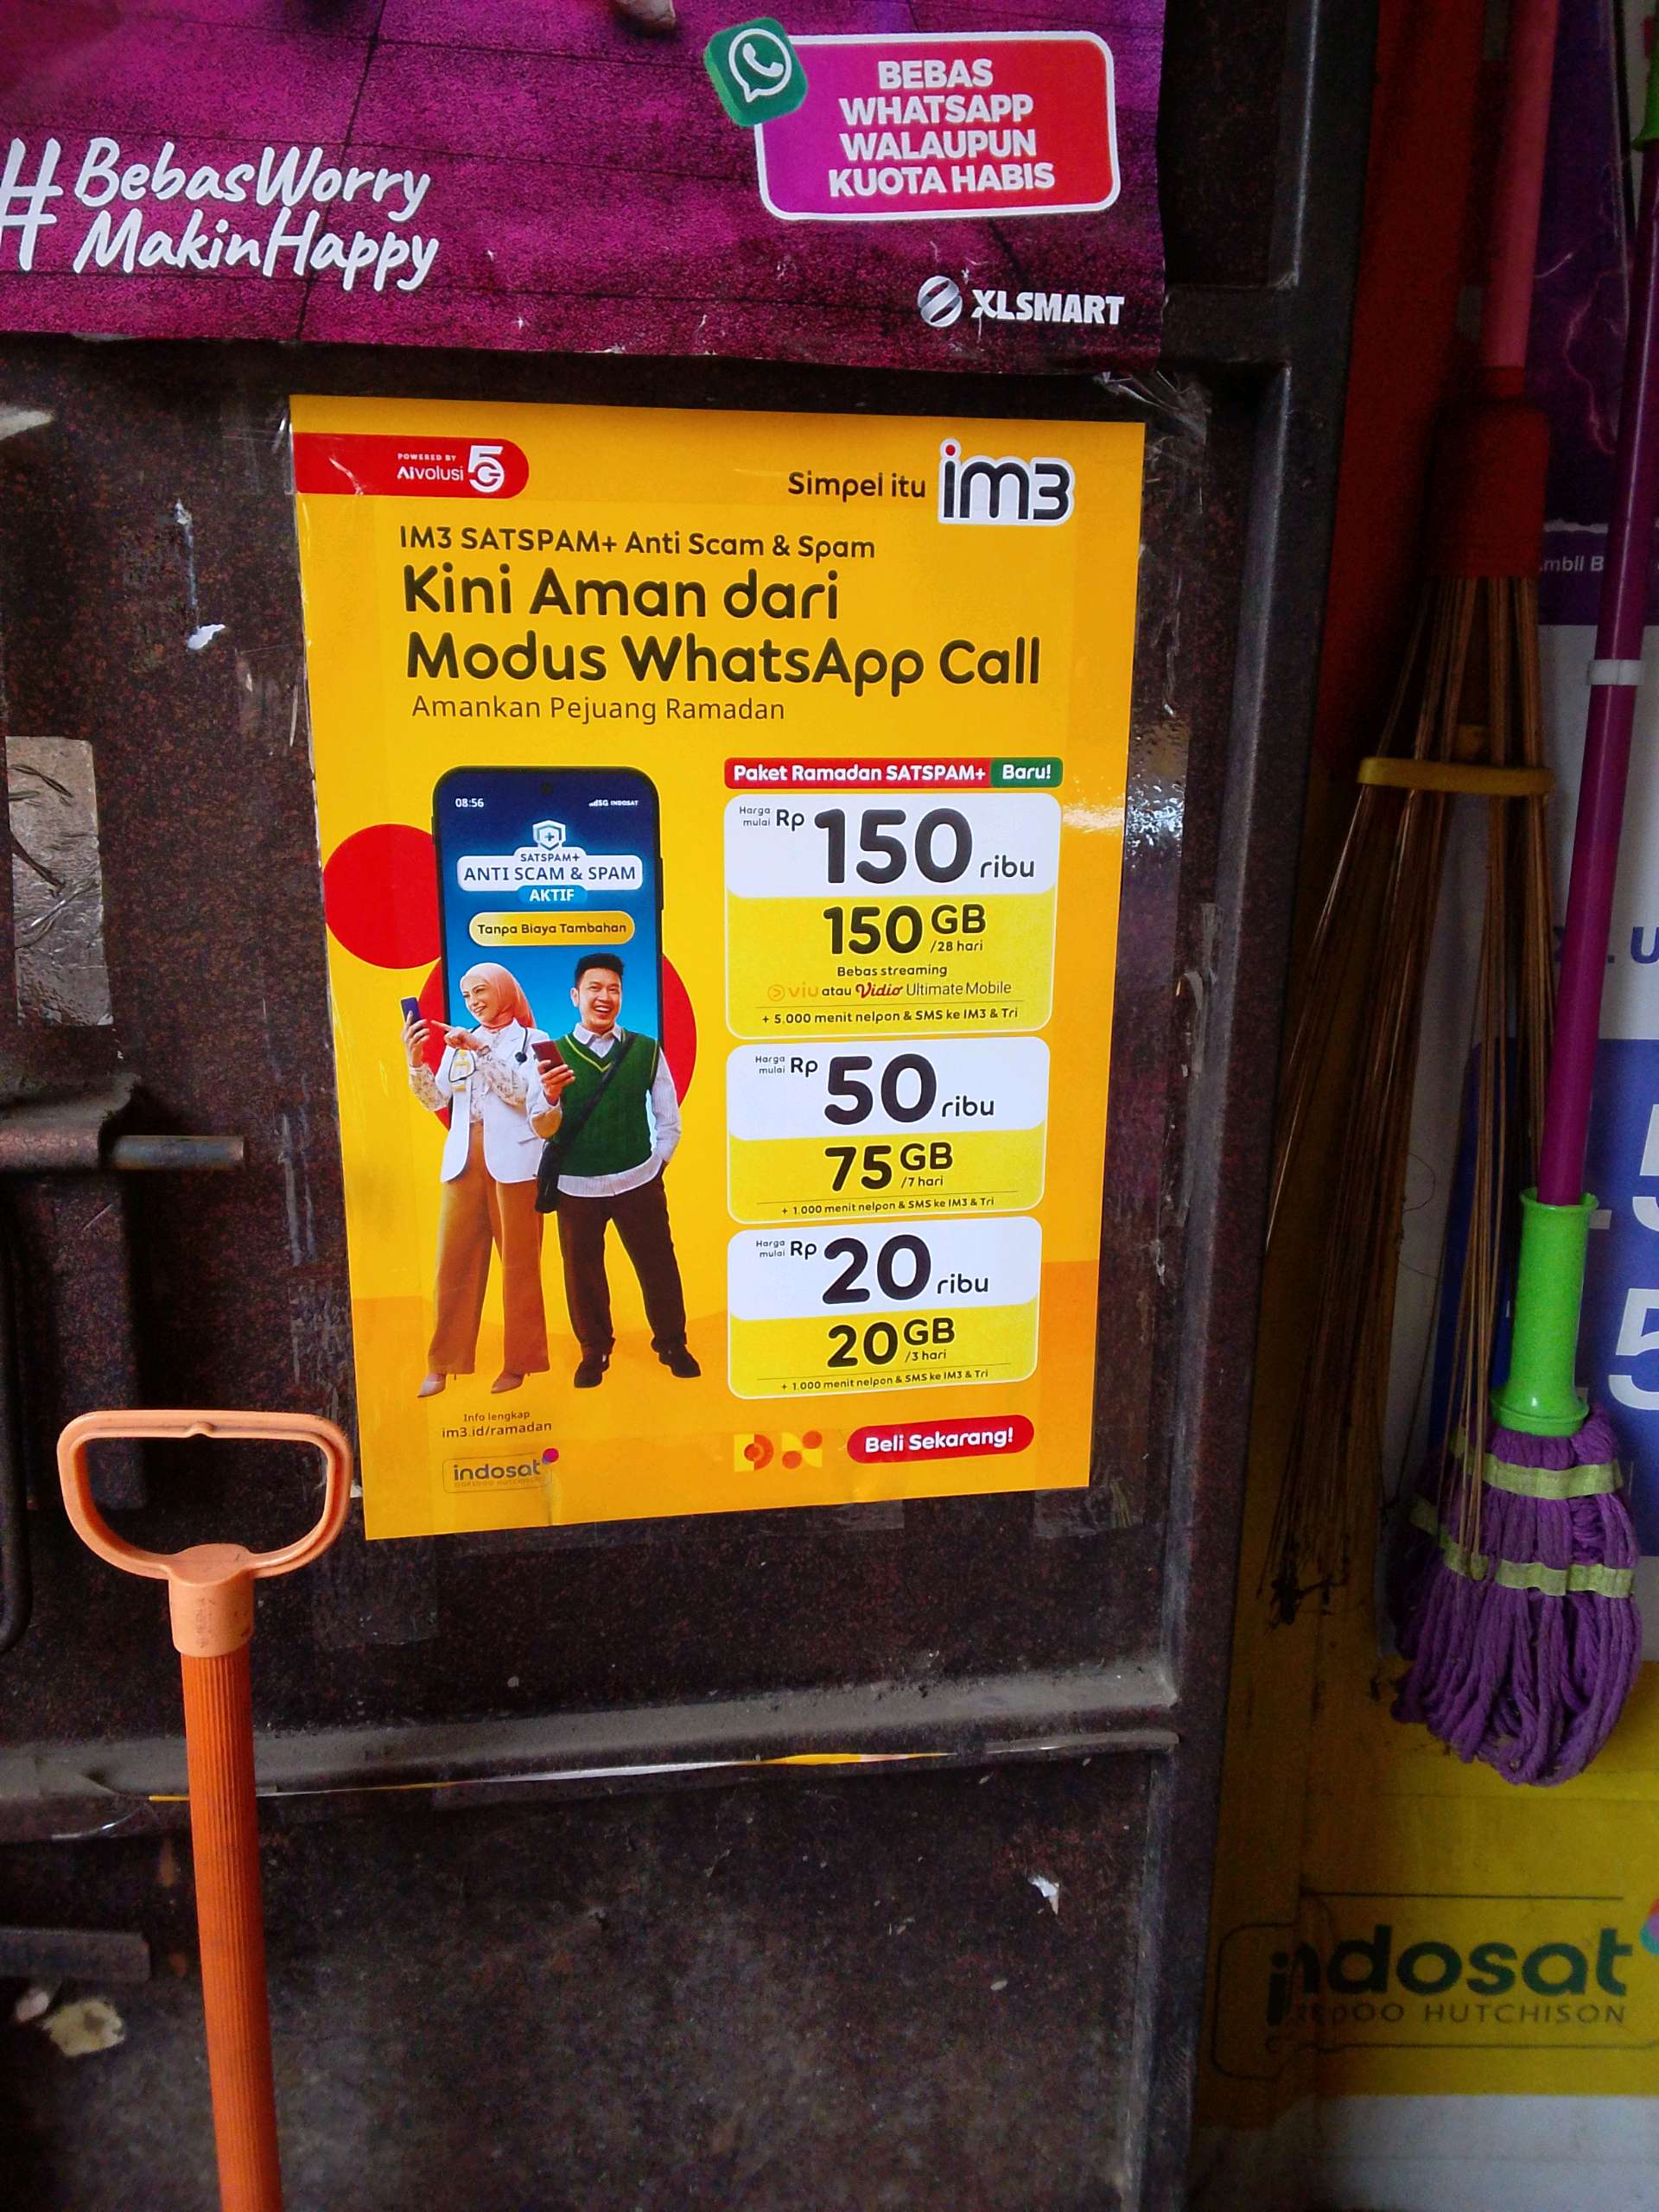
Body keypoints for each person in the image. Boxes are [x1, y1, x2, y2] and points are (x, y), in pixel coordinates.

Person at [529, 951, 699, 1388]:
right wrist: (550, 1096)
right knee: (582, 1273)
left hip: (638, 1181)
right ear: (575, 996)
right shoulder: (551, 1055)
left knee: (659, 1265)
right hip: (575, 1186)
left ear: (622, 996)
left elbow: (669, 1118)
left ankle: (672, 1343)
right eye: (594, 988)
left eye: (614, 989)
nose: (604, 997)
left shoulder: (645, 1049)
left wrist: (657, 1163)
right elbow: (541, 1126)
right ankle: (594, 1350)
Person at [404, 961, 550, 1399]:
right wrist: (416, 1062)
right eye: (467, 995)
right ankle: (443, 1363)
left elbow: (522, 1096)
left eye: (481, 991)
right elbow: (436, 1099)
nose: (473, 1002)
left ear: (503, 990)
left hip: (517, 1164)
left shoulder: (535, 1041)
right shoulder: (458, 1042)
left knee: (521, 1265)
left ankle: (520, 1363)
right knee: (452, 1264)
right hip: (465, 1159)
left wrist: (481, 1051)